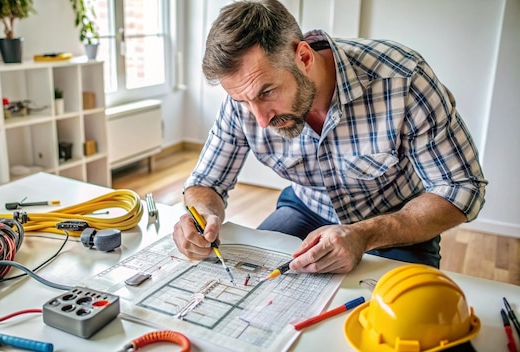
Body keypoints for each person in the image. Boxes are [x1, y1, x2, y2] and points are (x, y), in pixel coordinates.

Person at [172, 0, 487, 274]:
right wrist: (202, 218)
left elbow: (461, 186)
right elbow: (206, 183)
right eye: (244, 102)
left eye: (267, 92)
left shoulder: (402, 80)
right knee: (254, 290)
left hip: (395, 222)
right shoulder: (247, 93)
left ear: (304, 58)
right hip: (306, 207)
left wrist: (364, 234)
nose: (260, 120)